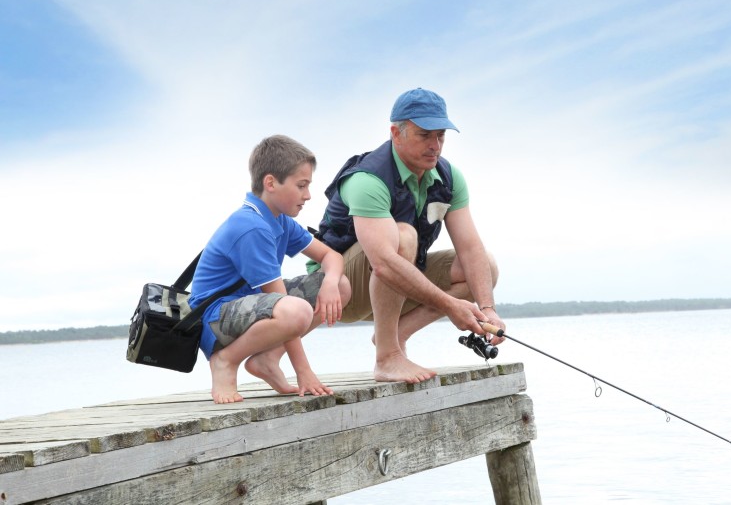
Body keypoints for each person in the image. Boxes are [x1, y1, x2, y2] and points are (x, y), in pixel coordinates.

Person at [312, 87, 504, 384]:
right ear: (396, 132)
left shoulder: (450, 177)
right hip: (338, 290)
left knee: (485, 268)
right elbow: (385, 262)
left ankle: (394, 336)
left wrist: (487, 309)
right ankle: (387, 358)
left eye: (440, 135)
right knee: (403, 237)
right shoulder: (367, 179)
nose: (435, 145)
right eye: (424, 135)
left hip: (396, 284)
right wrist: (451, 306)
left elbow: (470, 248)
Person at [190, 134, 351, 404]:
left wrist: (332, 282)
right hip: (215, 318)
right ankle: (225, 361)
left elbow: (330, 255)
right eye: (301, 186)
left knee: (341, 285)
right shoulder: (251, 227)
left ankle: (267, 359)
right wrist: (305, 372)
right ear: (271, 183)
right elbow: (282, 302)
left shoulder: (279, 220)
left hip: (251, 308)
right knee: (295, 310)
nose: (308, 195)